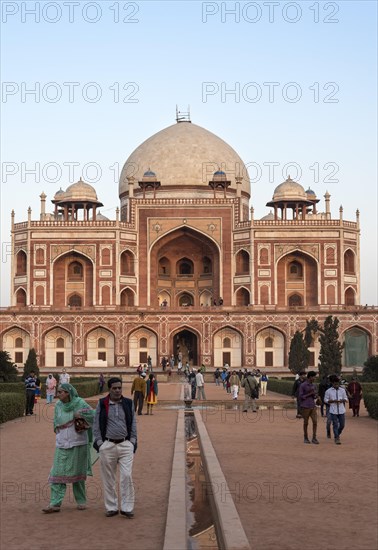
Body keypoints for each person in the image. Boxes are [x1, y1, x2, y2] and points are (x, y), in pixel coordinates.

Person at [42, 383, 95, 513]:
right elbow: (56, 421)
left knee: (78, 474)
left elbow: (93, 414)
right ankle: (55, 503)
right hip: (61, 443)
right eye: (58, 392)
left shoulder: (80, 403)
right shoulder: (59, 405)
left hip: (78, 443)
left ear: (68, 393)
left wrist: (80, 414)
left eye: (60, 392)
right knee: (56, 473)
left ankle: (81, 500)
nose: (58, 394)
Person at [93, 377, 137, 517]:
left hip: (125, 445)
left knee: (126, 476)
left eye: (119, 388)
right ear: (109, 389)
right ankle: (111, 507)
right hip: (108, 445)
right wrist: (100, 443)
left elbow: (133, 423)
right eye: (114, 388)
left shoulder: (128, 403)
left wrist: (132, 442)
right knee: (108, 478)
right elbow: (96, 425)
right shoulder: (102, 403)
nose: (118, 390)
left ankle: (127, 507)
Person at [324, 375, 348, 444]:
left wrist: (343, 400)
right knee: (335, 424)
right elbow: (325, 400)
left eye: (337, 384)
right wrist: (331, 401)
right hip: (333, 410)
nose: (336, 385)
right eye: (335, 384)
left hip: (341, 410)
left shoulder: (342, 390)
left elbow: (346, 398)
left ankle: (337, 433)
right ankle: (336, 438)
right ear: (332, 383)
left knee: (342, 425)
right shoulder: (328, 391)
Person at [298, 371, 319, 444]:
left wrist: (316, 396)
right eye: (314, 377)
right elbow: (301, 396)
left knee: (315, 422)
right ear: (310, 377)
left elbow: (315, 395)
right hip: (305, 406)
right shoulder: (303, 385)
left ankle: (314, 437)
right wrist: (310, 394)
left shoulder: (314, 385)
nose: (315, 378)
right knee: (306, 423)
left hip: (312, 405)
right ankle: (306, 437)